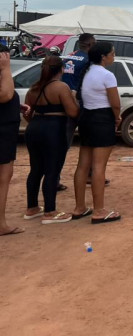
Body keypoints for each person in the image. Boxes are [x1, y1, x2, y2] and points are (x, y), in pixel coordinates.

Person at [22, 55, 79, 224]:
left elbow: (27, 114)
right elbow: (73, 112)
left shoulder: (33, 89)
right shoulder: (61, 87)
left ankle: (31, 208)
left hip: (34, 129)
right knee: (52, 171)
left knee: (36, 169)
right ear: (61, 69)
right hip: (54, 129)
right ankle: (50, 211)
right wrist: (74, 97)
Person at [73, 41, 121, 224]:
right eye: (112, 53)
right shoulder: (107, 75)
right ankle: (99, 210)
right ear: (103, 56)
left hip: (86, 118)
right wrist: (117, 117)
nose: (113, 57)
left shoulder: (87, 72)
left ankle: (79, 207)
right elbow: (115, 103)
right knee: (99, 166)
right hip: (102, 118)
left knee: (83, 165)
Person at [59, 32, 96, 190]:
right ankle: (89, 174)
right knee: (89, 141)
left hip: (64, 101)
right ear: (89, 45)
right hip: (80, 103)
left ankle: (55, 178)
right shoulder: (88, 61)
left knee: (64, 143)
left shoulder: (68, 57)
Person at [1, 45, 29, 236]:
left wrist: (16, 106)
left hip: (6, 130)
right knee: (3, 177)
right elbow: (4, 95)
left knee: (5, 175)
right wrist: (6, 68)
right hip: (2, 132)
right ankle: (1, 225)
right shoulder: (4, 72)